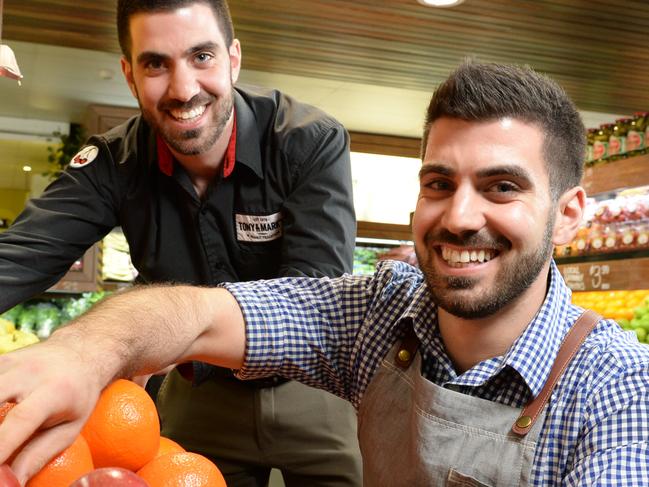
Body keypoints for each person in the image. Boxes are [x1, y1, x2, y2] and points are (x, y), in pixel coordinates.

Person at [2, 61, 649, 486]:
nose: (458, 215)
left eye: (500, 186)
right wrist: (83, 352)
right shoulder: (379, 315)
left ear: (567, 215)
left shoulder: (617, 386)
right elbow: (199, 313)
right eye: (438, 182)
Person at [0, 1, 363, 485]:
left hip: (312, 391)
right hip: (198, 393)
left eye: (202, 57)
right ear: (130, 76)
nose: (183, 88)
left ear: (233, 58)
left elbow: (315, 297)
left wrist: (145, 324)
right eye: (156, 64)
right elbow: (18, 259)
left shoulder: (308, 141)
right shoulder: (114, 163)